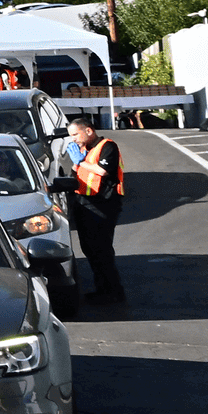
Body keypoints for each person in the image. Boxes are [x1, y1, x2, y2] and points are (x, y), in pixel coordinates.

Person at [66, 112, 126, 304]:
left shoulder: (107, 146)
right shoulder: (84, 151)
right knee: (89, 248)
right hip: (84, 203)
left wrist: (80, 161)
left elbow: (102, 170)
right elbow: (77, 175)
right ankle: (102, 289)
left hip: (104, 204)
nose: (73, 139)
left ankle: (113, 292)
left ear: (88, 130)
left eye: (75, 134)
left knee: (101, 249)